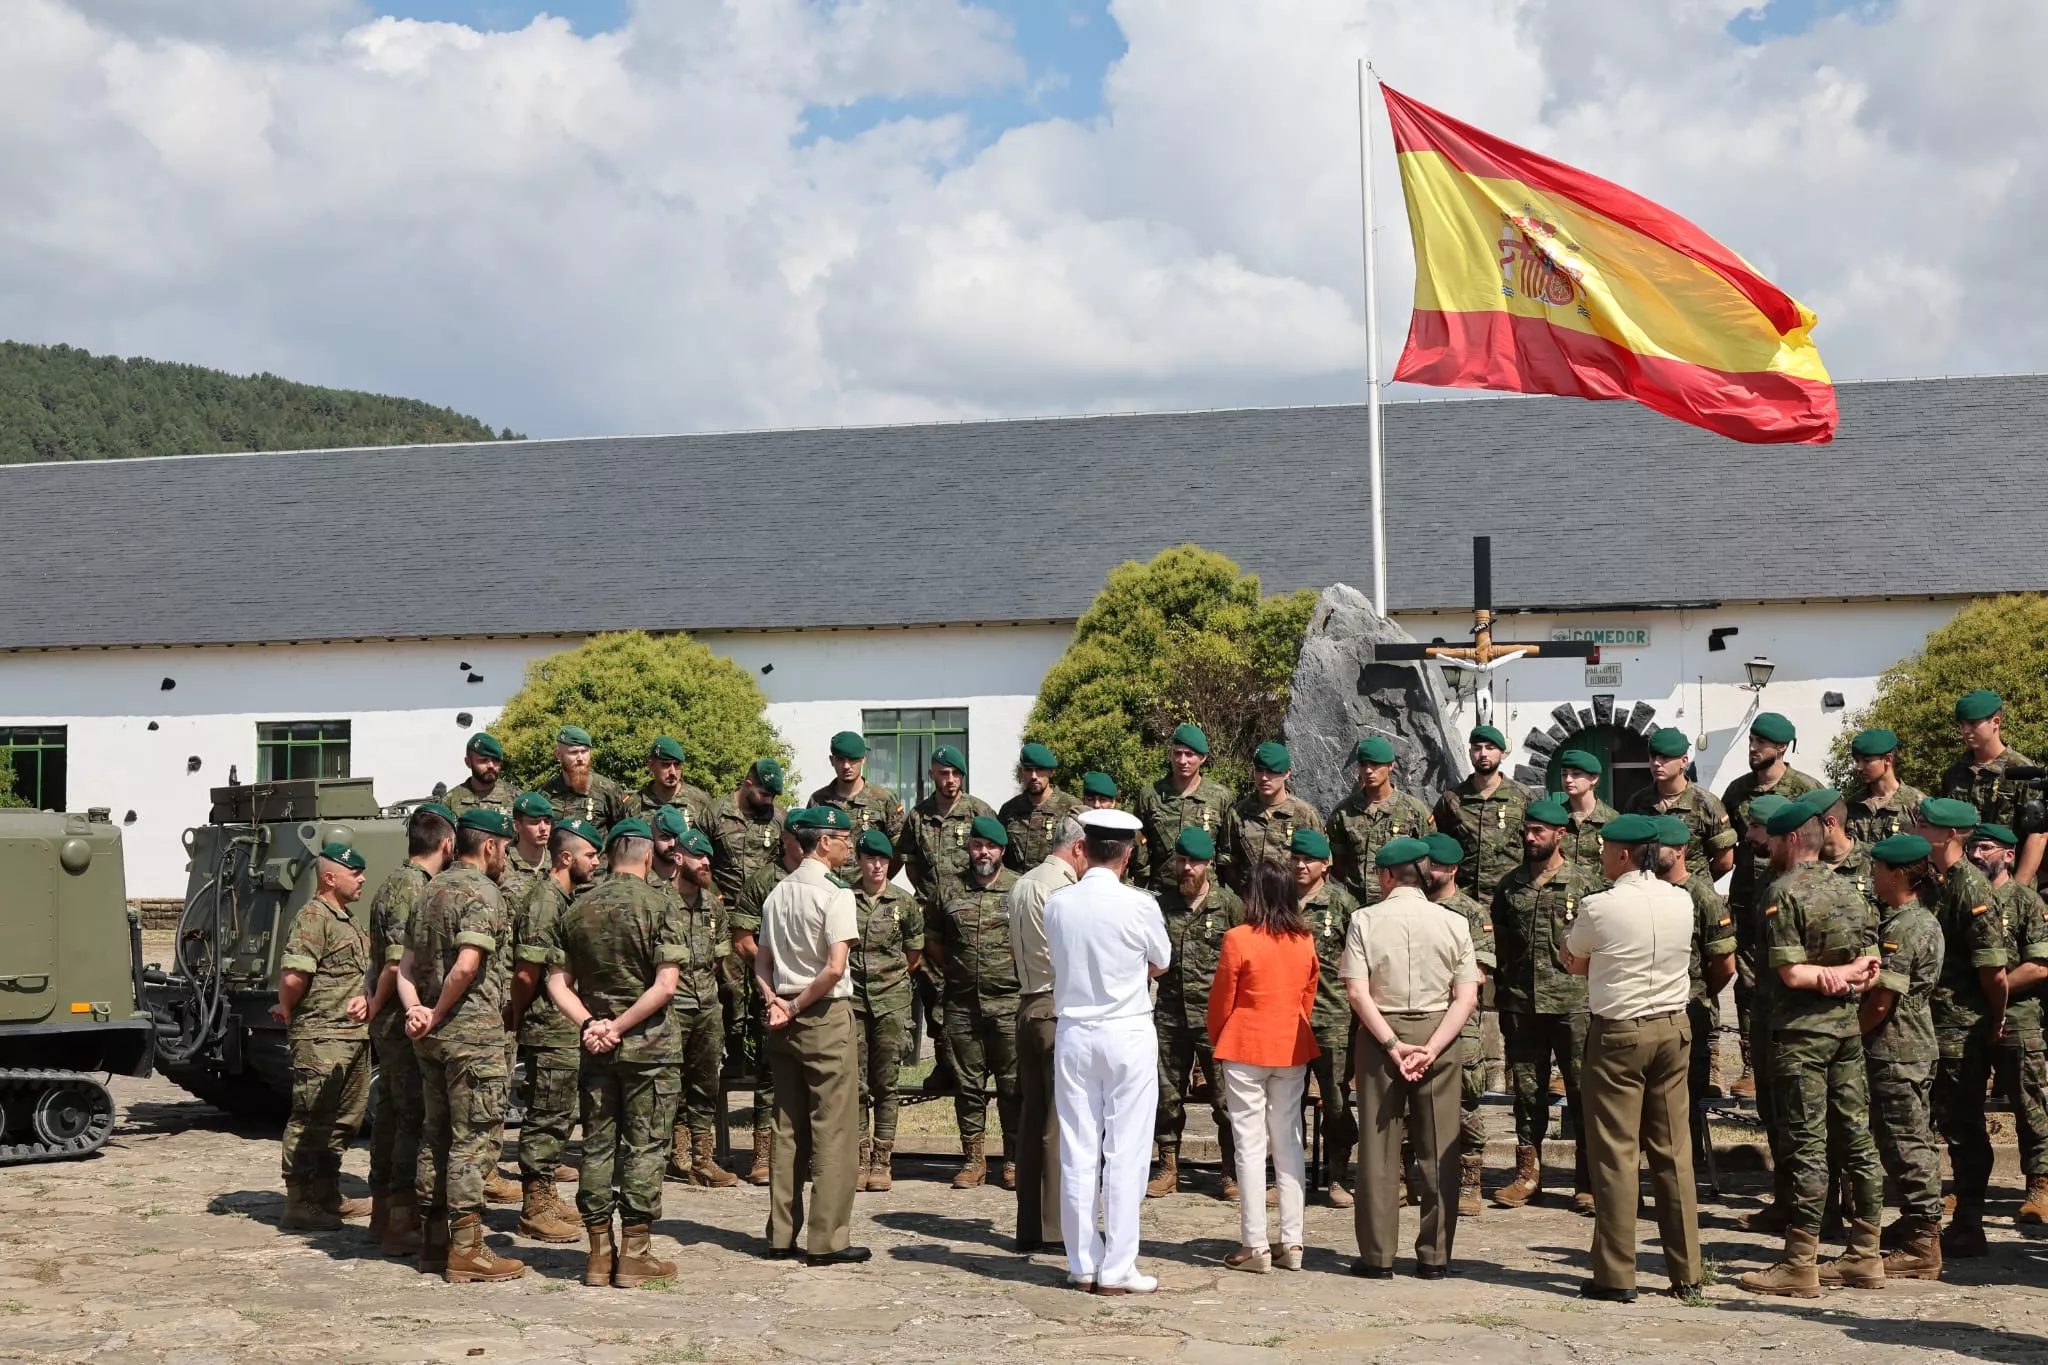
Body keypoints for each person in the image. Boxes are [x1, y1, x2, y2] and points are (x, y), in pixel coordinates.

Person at [1736, 798, 1885, 1299]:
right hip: (1845, 1031)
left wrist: (1832, 976)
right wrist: (1847, 977)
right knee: (1857, 1140)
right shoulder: (1850, 889)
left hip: (1800, 1036)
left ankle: (1801, 1262)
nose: (1770, 848)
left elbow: (1791, 972)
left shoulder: (1783, 890)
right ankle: (1866, 1254)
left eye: (1774, 840)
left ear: (1792, 840)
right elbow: (1871, 966)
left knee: (1806, 1143)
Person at [1559, 813, 1700, 1303]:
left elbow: (1574, 960)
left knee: (1616, 1154)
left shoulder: (1600, 905)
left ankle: (1617, 1275)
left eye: (1604, 849)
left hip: (1620, 1032)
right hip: (1673, 1026)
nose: (1600, 856)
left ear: (1623, 855)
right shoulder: (1681, 898)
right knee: (1673, 1151)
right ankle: (1688, 1271)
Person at [544, 817, 686, 1287]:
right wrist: (621, 1027)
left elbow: (556, 982)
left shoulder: (577, 908)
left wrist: (592, 1024)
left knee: (597, 1146)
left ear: (608, 856)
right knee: (645, 1146)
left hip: (596, 1049)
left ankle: (598, 1254)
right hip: (651, 1050)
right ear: (648, 856)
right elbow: (666, 985)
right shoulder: (661, 905)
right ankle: (636, 1254)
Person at [1342, 837, 1481, 1280]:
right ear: (1422, 874)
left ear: (1385, 876)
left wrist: (1391, 1044)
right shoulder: (1454, 922)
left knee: (1379, 1149)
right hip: (1438, 1033)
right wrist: (1433, 1047)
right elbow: (1467, 996)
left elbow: (1356, 992)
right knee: (1439, 1147)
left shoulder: (1363, 920)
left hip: (1382, 1035)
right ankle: (1435, 1256)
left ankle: (1378, 1256)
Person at [1045, 808, 1170, 1294]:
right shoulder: (1139, 905)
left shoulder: (1058, 903)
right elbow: (1161, 960)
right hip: (1125, 1028)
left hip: (1075, 1029)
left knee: (1078, 1149)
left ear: (1085, 847)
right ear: (1128, 851)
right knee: (1127, 1151)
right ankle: (1118, 1266)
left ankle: (1082, 1263)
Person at [398, 807, 522, 1283]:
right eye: (505, 847)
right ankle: (467, 1251)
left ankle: (434, 1243)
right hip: (472, 1038)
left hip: (430, 1038)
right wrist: (442, 1010)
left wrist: (418, 1011)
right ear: (489, 845)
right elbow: (468, 966)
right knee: (473, 1143)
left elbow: (404, 968)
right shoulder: (483, 892)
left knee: (437, 1136)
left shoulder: (428, 891)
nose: (505, 856)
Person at [757, 805, 869, 1265]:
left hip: (782, 1016)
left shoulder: (777, 893)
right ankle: (827, 1238)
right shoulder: (836, 894)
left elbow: (761, 959)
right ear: (824, 842)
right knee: (835, 1128)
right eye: (844, 838)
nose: (850, 846)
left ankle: (781, 1234)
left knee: (786, 1127)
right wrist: (799, 1005)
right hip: (822, 1013)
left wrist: (774, 1002)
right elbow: (835, 967)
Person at [1208, 859, 1319, 1273]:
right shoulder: (1304, 938)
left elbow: (1222, 998)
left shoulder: (1238, 938)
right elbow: (1308, 995)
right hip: (1289, 1043)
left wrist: (1222, 1034)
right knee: (1289, 1142)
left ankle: (1254, 1244)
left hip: (1244, 1041)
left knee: (1249, 1146)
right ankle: (1293, 1241)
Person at [1490, 797, 1597, 1212]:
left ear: (1560, 836)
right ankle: (1528, 1175)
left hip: (1573, 1005)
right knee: (1528, 1095)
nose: (1530, 837)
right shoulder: (1510, 885)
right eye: (1527, 830)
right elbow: (1500, 944)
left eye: (1539, 831)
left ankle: (1586, 1182)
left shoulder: (1584, 885)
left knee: (1583, 1093)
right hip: (1522, 1005)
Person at [1916, 796, 2006, 1258]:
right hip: (1928, 1024)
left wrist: (1996, 1017)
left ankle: (1969, 1222)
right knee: (1925, 1125)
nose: (1918, 828)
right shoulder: (1932, 879)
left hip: (1960, 1027)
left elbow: (1993, 968)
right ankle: (1927, 1225)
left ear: (1951, 835)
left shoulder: (1970, 887)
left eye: (1926, 825)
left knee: (1964, 1128)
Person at [363, 802, 454, 1255]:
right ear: (447, 843)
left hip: (396, 1017)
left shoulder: (398, 881)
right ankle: (400, 1216)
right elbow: (399, 961)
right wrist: (387, 1006)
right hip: (404, 1020)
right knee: (408, 1117)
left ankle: (386, 1212)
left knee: (394, 1114)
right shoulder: (412, 888)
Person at [505, 817, 602, 1245]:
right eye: (590, 855)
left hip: (562, 1024)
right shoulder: (545, 901)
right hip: (548, 1025)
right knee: (546, 1113)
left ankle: (545, 1193)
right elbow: (528, 972)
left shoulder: (565, 897)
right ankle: (534, 1205)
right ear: (566, 858)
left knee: (560, 1113)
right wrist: (517, 1017)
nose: (596, 863)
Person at [1855, 832, 1946, 1281]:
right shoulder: (1907, 919)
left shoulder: (1907, 927)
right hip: (1907, 1046)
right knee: (1907, 1139)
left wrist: (1851, 1035)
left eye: (1877, 869)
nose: (1872, 875)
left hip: (1898, 1048)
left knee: (1906, 1143)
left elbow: (1880, 1002)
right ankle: (1916, 1225)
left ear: (1897, 874)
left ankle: (1923, 1244)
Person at [1722, 713, 1821, 1109]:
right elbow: (1727, 847)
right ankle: (1751, 1065)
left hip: (1793, 901)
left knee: (1791, 974)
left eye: (1761, 743)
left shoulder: (1805, 790)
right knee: (1747, 986)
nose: (1753, 749)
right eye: (1751, 741)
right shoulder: (1737, 791)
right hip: (1749, 901)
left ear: (1781, 748)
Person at [274, 842, 373, 1231]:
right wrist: (288, 1006)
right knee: (310, 1118)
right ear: (330, 877)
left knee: (343, 1121)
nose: (362, 878)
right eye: (355, 873)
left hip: (352, 1036)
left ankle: (327, 1193)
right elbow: (295, 976)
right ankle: (299, 1201)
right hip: (322, 1036)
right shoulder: (314, 917)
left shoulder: (345, 918)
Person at [1147, 826, 1246, 1199]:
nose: (1187, 868)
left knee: (1225, 1099)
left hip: (1216, 1018)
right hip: (1170, 1016)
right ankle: (1168, 1166)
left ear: (1208, 865)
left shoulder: (1229, 904)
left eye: (1194, 862)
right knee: (1166, 1096)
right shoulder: (1161, 905)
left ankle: (1230, 1171)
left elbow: (1244, 957)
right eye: (1181, 860)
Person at [929, 815, 1022, 1189]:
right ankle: (973, 1160)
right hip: (962, 1004)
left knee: (1013, 1085)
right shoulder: (949, 889)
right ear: (969, 848)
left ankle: (1014, 1160)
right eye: (977, 845)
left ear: (1002, 851)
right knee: (968, 1086)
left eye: (990, 846)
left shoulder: (1020, 889)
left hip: (1008, 1003)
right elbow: (932, 937)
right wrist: (953, 968)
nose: (983, 852)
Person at [1964, 822, 2048, 1224]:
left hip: (2017, 1019)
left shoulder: (2027, 901)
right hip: (1969, 1022)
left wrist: (1992, 993)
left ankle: (2040, 1187)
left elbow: (2039, 966)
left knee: (2028, 1103)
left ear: (2009, 855)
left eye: (1986, 848)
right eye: (1974, 848)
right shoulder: (1964, 898)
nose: (1977, 855)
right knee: (1963, 1108)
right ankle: (1968, 1191)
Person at [900, 745, 994, 1099]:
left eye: (955, 773)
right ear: (933, 775)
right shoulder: (919, 816)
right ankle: (943, 1063)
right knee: (934, 987)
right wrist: (925, 894)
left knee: (969, 985)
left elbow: (994, 857)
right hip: (931, 914)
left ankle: (971, 1063)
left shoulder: (979, 812)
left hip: (970, 912)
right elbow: (910, 861)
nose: (949, 779)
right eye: (943, 773)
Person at [1009, 816, 1085, 1247]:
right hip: (1057, 1006)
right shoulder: (1062, 890)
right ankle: (1055, 1228)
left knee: (1033, 1115)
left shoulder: (1022, 883)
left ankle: (1030, 1225)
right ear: (1076, 849)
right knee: (1058, 1122)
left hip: (1027, 1003)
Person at [1653, 815, 1735, 1181]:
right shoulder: (1648, 892)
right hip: (1653, 1011)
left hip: (1691, 1012)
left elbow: (1724, 965)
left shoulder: (1702, 896)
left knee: (1687, 1099)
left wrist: (1699, 994)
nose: (1653, 853)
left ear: (1682, 851)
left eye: (1661, 847)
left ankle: (1691, 1170)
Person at [656, 817, 736, 1188]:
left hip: (706, 1005)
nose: (706, 862)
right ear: (678, 857)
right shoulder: (658, 902)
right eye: (697, 856)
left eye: (709, 856)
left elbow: (721, 959)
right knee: (668, 1082)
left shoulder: (713, 907)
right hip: (671, 1007)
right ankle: (674, 1154)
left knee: (705, 1083)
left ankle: (703, 1158)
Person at [1422, 832, 1494, 1216]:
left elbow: (1479, 973)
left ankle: (1470, 1182)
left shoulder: (1471, 913)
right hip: (1416, 1015)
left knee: (1465, 1101)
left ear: (1450, 869)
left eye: (1432, 864)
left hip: (1458, 1018)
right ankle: (1405, 1177)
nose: (1425, 871)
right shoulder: (1410, 906)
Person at [849, 829, 923, 1193]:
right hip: (854, 1001)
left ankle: (882, 1160)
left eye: (882, 860)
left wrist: (890, 983)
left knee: (886, 1083)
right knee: (856, 1082)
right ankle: (861, 1158)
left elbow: (913, 954)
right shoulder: (845, 897)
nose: (877, 866)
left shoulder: (903, 902)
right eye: (870, 859)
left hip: (892, 1001)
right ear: (860, 860)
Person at [729, 819, 803, 1184]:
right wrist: (770, 980)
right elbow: (742, 937)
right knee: (770, 1073)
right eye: (798, 835)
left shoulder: (825, 878)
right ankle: (762, 1154)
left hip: (813, 992)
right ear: (786, 838)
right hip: (773, 991)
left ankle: (808, 1153)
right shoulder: (764, 880)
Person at [1291, 827, 1362, 1205]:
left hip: (1332, 1015)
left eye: (1309, 860)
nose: (1301, 865)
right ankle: (1289, 1177)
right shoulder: (1280, 901)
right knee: (1287, 1100)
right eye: (1296, 859)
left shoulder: (1342, 904)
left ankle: (1338, 1174)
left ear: (1326, 865)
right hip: (1287, 1016)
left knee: (1335, 1100)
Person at [1945, 689, 2046, 886]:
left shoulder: (2022, 772)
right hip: (1964, 885)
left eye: (1973, 723)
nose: (1966, 730)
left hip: (2007, 881)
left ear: (1996, 723)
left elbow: (2038, 835)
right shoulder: (1955, 774)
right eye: (1962, 724)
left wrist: (2016, 891)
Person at [1431, 725, 1533, 908]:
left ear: (1502, 753)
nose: (1483, 754)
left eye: (1490, 748)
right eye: (1477, 748)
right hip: (1464, 902)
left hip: (1511, 900)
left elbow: (1536, 847)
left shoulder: (1523, 797)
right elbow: (1437, 847)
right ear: (1470, 753)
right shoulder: (1452, 799)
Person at [1327, 736, 1436, 905]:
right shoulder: (1344, 812)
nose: (1369, 771)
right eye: (1363, 765)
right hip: (1357, 905)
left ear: (1391, 765)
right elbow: (1337, 864)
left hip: (1401, 904)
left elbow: (1429, 861)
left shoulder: (1413, 811)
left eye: (1375, 764)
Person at [1132, 723, 1234, 892]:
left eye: (1189, 754)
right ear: (1170, 754)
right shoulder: (1150, 796)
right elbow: (1140, 848)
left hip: (1206, 897)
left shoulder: (1220, 797)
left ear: (1203, 758)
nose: (1182, 761)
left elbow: (1226, 853)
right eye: (1177, 753)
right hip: (1162, 894)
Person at [1628, 728, 1738, 879]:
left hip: (1691, 895)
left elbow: (1724, 861)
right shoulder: (1638, 802)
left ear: (1683, 761)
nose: (1656, 763)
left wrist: (1698, 884)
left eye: (1665, 758)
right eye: (1653, 757)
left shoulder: (1706, 804)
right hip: (1650, 894)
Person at [1223, 742, 1324, 893]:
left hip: (1293, 903)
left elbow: (1322, 865)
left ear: (1287, 773)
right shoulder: (1238, 813)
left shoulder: (1305, 815)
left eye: (1271, 771)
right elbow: (1228, 863)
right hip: (1252, 904)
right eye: (1259, 770)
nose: (1264, 778)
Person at [809, 730, 908, 849]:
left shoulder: (883, 799)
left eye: (852, 760)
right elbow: (807, 845)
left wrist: (882, 868)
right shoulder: (818, 801)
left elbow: (900, 845)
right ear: (832, 760)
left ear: (863, 760)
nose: (846, 766)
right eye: (840, 759)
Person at [709, 758, 788, 899]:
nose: (769, 801)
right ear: (747, 785)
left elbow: (790, 860)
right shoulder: (714, 813)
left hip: (763, 908)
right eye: (764, 794)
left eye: (773, 796)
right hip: (723, 907)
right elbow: (695, 857)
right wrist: (712, 892)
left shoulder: (780, 819)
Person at [1000, 742, 1085, 873]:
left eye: (1039, 770)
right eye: (1028, 770)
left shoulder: (1071, 808)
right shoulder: (1010, 810)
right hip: (1018, 888)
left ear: (1051, 772)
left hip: (1058, 888)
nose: (1034, 776)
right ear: (1022, 772)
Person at [535, 725, 629, 833]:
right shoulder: (546, 793)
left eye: (584, 751)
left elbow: (624, 834)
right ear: (558, 755)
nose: (580, 758)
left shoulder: (609, 790)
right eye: (573, 752)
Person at [1844, 729, 1927, 846]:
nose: (1859, 767)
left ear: (1888, 759)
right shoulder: (1853, 805)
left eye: (1866, 760)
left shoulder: (1916, 803)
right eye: (1857, 761)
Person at [624, 736, 716, 831]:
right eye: (666, 764)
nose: (672, 772)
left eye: (676, 764)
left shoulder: (701, 801)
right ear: (651, 765)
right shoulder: (633, 805)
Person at [1554, 750, 1616, 876]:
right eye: (1564, 774)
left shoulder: (1613, 821)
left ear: (1594, 778)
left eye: (1576, 774)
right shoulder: (1555, 818)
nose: (1568, 779)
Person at [445, 732, 520, 818]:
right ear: (468, 762)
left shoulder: (517, 799)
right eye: (483, 760)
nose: (491, 766)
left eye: (496, 760)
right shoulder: (450, 801)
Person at [501, 792, 556, 901]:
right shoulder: (501, 864)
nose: (543, 828)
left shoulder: (558, 864)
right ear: (517, 826)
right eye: (535, 822)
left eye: (547, 821)